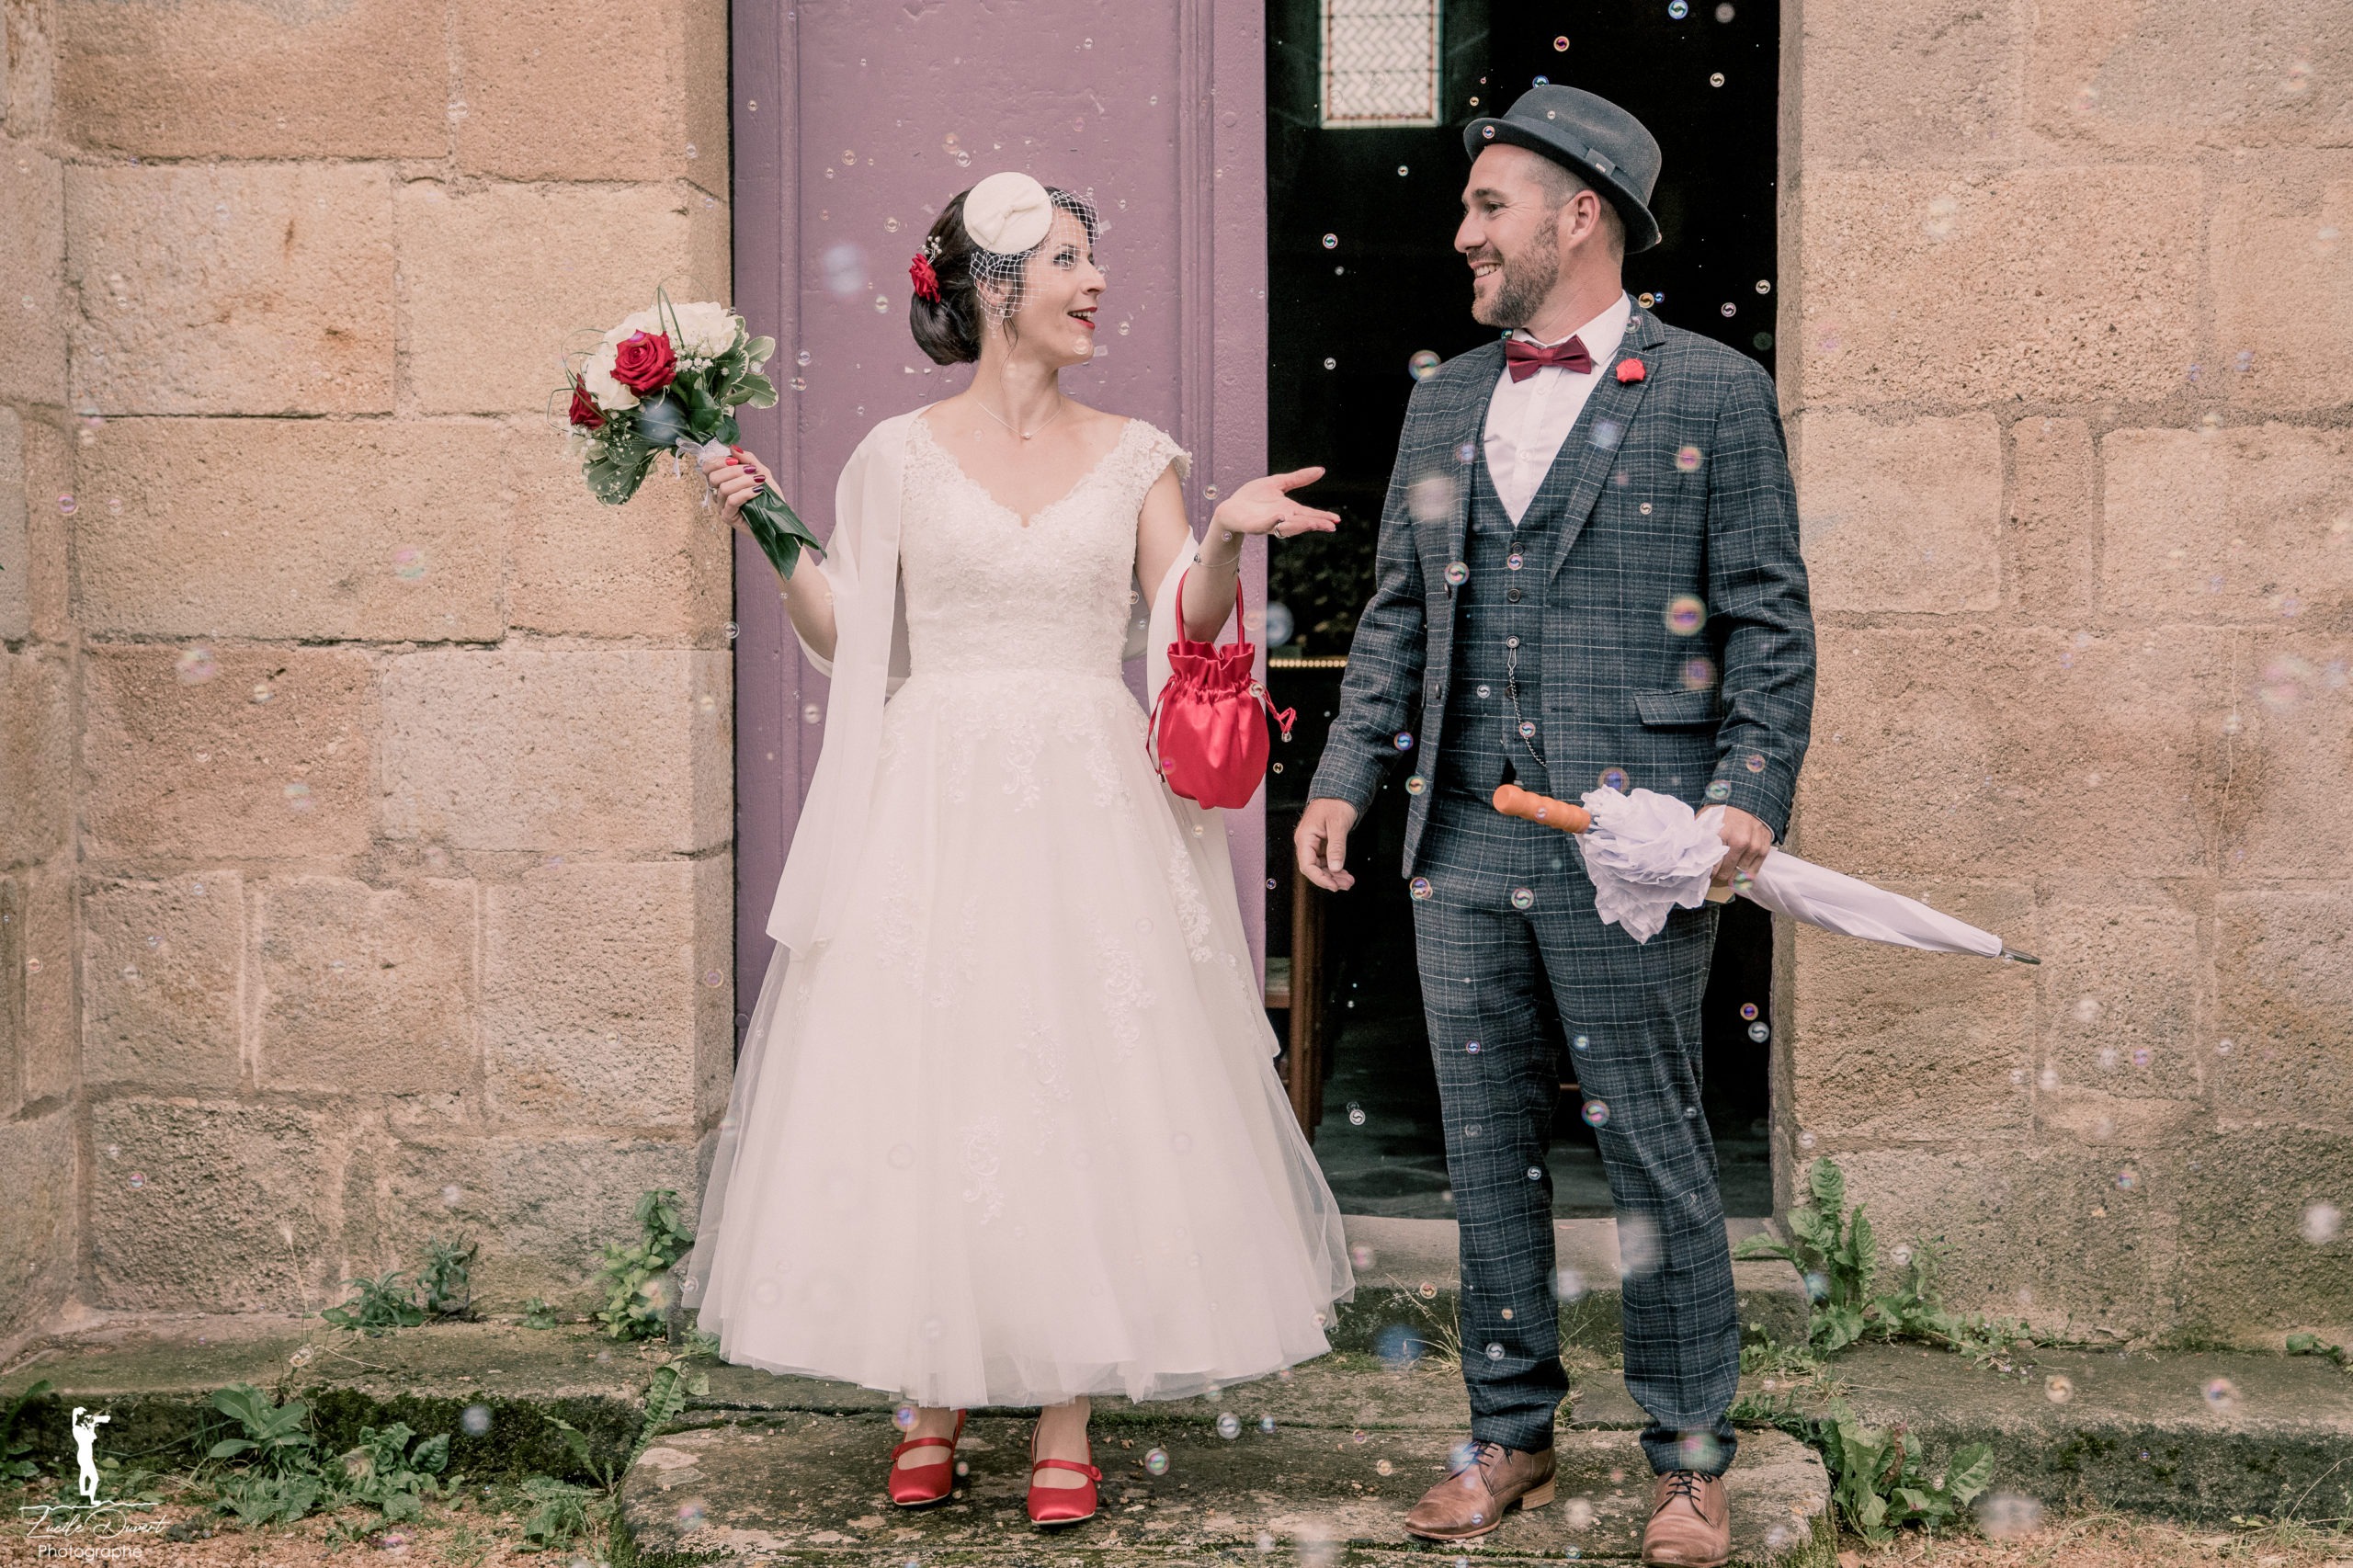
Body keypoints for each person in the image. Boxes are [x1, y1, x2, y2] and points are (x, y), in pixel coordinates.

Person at [680, 171, 1356, 1531]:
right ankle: (931, 1386)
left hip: (1087, 792)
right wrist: (764, 517)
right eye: (1064, 260)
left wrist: (1223, 533)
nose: (1094, 281)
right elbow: (849, 635)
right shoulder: (892, 456)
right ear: (993, 288)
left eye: (1091, 257)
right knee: (943, 1067)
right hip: (937, 792)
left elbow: (1183, 624)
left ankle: (1063, 1407)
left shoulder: (1141, 456)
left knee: (1081, 1073)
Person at [1294, 86, 1815, 1568]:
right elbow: (1398, 613)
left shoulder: (1712, 388)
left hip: (1633, 838)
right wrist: (1345, 773)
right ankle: (1509, 1428)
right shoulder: (1445, 397)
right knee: (1483, 1149)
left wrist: (1746, 798)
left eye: (1488, 207)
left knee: (1655, 1146)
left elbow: (1771, 622)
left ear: (1578, 214)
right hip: (1461, 837)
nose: (1463, 231)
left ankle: (1688, 1458)